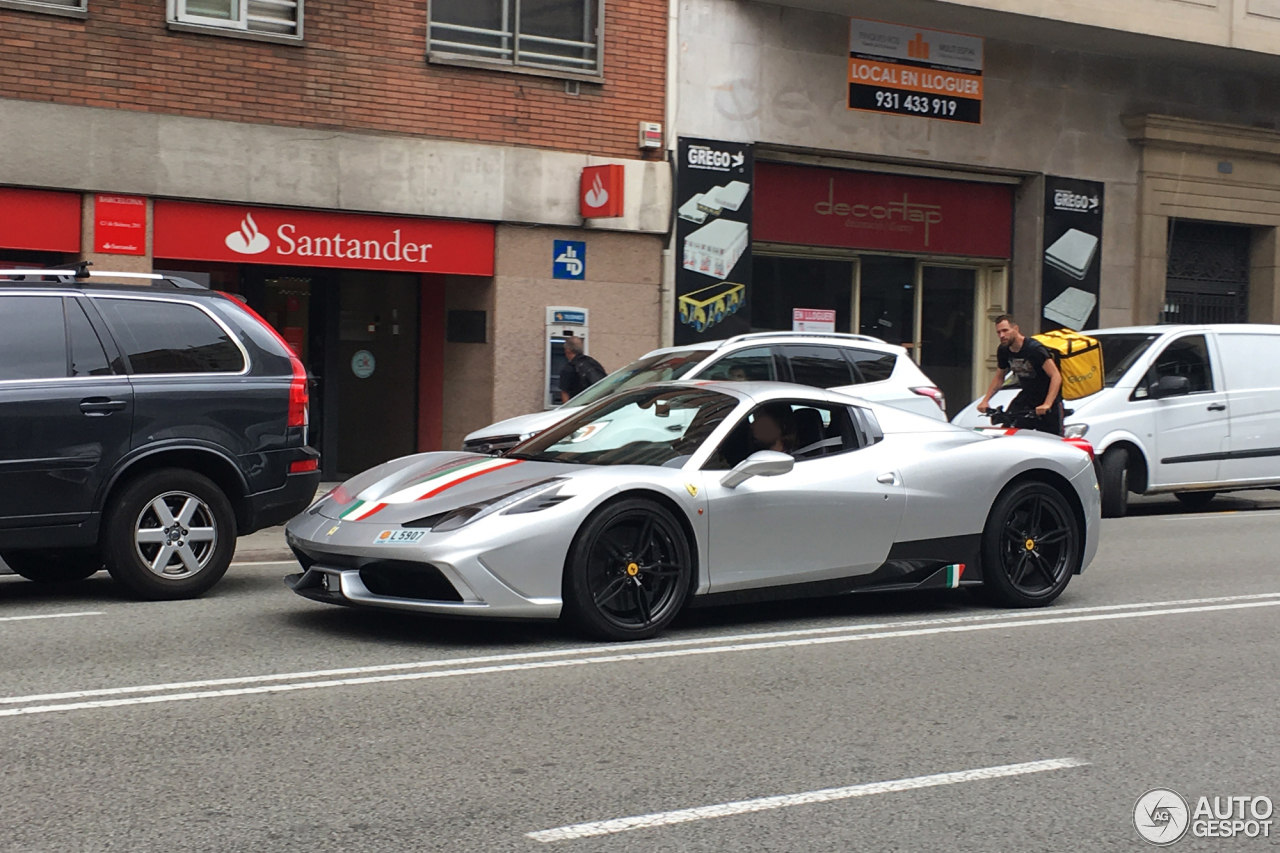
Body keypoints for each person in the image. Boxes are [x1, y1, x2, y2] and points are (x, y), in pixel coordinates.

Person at [977, 315, 1064, 435]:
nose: (1002, 335)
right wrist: (985, 400)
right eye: (999, 332)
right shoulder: (1003, 350)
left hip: (1047, 400)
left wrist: (1047, 404)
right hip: (1027, 398)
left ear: (1016, 329)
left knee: (1052, 441)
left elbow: (1056, 376)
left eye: (1005, 330)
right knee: (1008, 431)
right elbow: (999, 378)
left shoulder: (1034, 349)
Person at [558, 335, 607, 404]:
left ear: (567, 350)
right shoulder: (592, 362)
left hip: (578, 407)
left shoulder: (569, 368)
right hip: (595, 404)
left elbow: (565, 394)